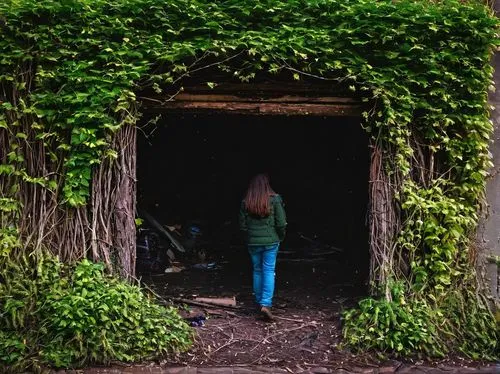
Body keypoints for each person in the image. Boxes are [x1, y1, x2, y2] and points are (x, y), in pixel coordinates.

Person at [239, 174, 287, 321]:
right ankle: (266, 304)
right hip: (271, 242)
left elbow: (242, 225)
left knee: (257, 270)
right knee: (269, 270)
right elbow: (281, 223)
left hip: (253, 242)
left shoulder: (246, 202)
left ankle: (259, 302)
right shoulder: (275, 200)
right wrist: (280, 237)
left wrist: (249, 238)